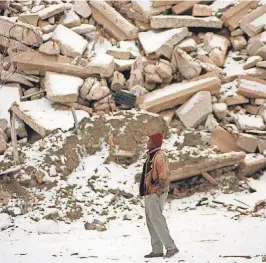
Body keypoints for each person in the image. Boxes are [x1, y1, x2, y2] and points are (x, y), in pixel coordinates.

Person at [139, 132, 179, 259]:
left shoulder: (160, 156)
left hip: (155, 193)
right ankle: (157, 249)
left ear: (155, 143)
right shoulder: (151, 155)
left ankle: (171, 248)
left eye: (149, 140)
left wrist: (158, 192)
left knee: (157, 219)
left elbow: (164, 175)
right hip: (149, 193)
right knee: (151, 220)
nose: (147, 142)